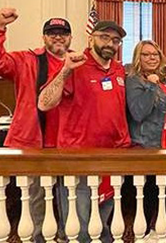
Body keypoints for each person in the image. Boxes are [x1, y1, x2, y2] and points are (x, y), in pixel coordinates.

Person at [0, 7, 72, 242]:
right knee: (37, 200)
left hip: (69, 146)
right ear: (44, 37)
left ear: (70, 37)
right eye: (52, 33)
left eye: (63, 33)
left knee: (69, 199)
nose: (58, 37)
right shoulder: (26, 60)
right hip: (34, 145)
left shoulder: (78, 62)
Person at [38, 20, 130, 242]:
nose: (110, 43)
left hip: (114, 156)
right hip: (79, 158)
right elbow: (44, 103)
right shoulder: (75, 64)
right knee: (79, 227)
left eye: (115, 40)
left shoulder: (118, 68)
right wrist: (65, 72)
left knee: (104, 218)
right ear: (91, 38)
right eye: (104, 37)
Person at [125, 40, 166, 238]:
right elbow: (138, 112)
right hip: (144, 143)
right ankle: (144, 231)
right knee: (148, 191)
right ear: (138, 58)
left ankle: (162, 228)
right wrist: (150, 85)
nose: (152, 58)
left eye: (155, 55)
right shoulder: (134, 80)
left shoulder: (162, 78)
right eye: (146, 55)